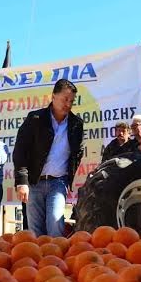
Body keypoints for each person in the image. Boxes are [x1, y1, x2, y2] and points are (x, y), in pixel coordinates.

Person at [13, 79, 85, 237]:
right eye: (65, 99)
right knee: (35, 229)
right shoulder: (35, 119)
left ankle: (57, 261)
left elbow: (78, 152)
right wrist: (22, 182)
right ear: (53, 96)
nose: (68, 104)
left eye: (71, 101)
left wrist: (68, 176)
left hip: (58, 182)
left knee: (55, 222)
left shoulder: (76, 124)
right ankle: (40, 261)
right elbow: (20, 151)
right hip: (34, 182)